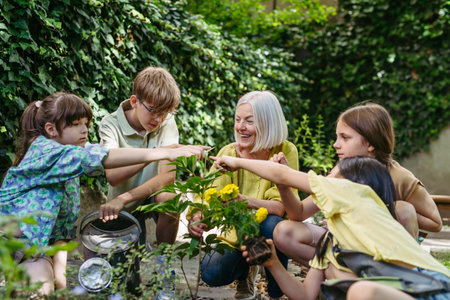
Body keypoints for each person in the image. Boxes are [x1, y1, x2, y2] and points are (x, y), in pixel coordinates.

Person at [0, 92, 208, 296]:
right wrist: (164, 152)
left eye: (86, 124)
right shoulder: (44, 149)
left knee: (40, 293)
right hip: (6, 244)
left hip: (34, 253)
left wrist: (62, 291)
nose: (84, 130)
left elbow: (60, 237)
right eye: (75, 124)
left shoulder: (70, 173)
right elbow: (102, 157)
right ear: (51, 129)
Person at [212, 155, 450, 300]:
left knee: (357, 291)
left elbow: (282, 175)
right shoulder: (331, 242)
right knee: (347, 286)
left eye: (332, 176)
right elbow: (305, 295)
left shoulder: (360, 197)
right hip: (397, 292)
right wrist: (273, 263)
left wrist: (237, 162)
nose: (325, 179)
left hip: (431, 289)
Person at [272, 102, 442, 266]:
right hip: (344, 244)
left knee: (403, 209)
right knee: (284, 232)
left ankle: (395, 279)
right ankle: (334, 273)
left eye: (344, 138)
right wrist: (283, 184)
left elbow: (435, 223)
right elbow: (299, 213)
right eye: (337, 137)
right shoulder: (341, 172)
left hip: (382, 250)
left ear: (370, 143)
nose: (335, 144)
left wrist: (382, 206)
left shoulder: (399, 177)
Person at [188, 91, 299, 300]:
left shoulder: (285, 150)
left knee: (273, 224)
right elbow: (207, 193)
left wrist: (245, 201)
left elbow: (280, 207)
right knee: (210, 273)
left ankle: (278, 292)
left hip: (269, 230)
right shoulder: (228, 153)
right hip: (236, 235)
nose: (240, 127)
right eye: (238, 120)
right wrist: (197, 216)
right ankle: (246, 273)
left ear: (268, 123)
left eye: (249, 121)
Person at [98, 66, 182, 248]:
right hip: (122, 206)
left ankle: (163, 262)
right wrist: (155, 153)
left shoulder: (167, 122)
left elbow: (168, 178)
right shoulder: (110, 124)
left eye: (164, 112)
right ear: (135, 101)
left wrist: (125, 197)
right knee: (128, 274)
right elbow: (113, 176)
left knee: (170, 200)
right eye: (152, 110)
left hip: (147, 196)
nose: (159, 119)